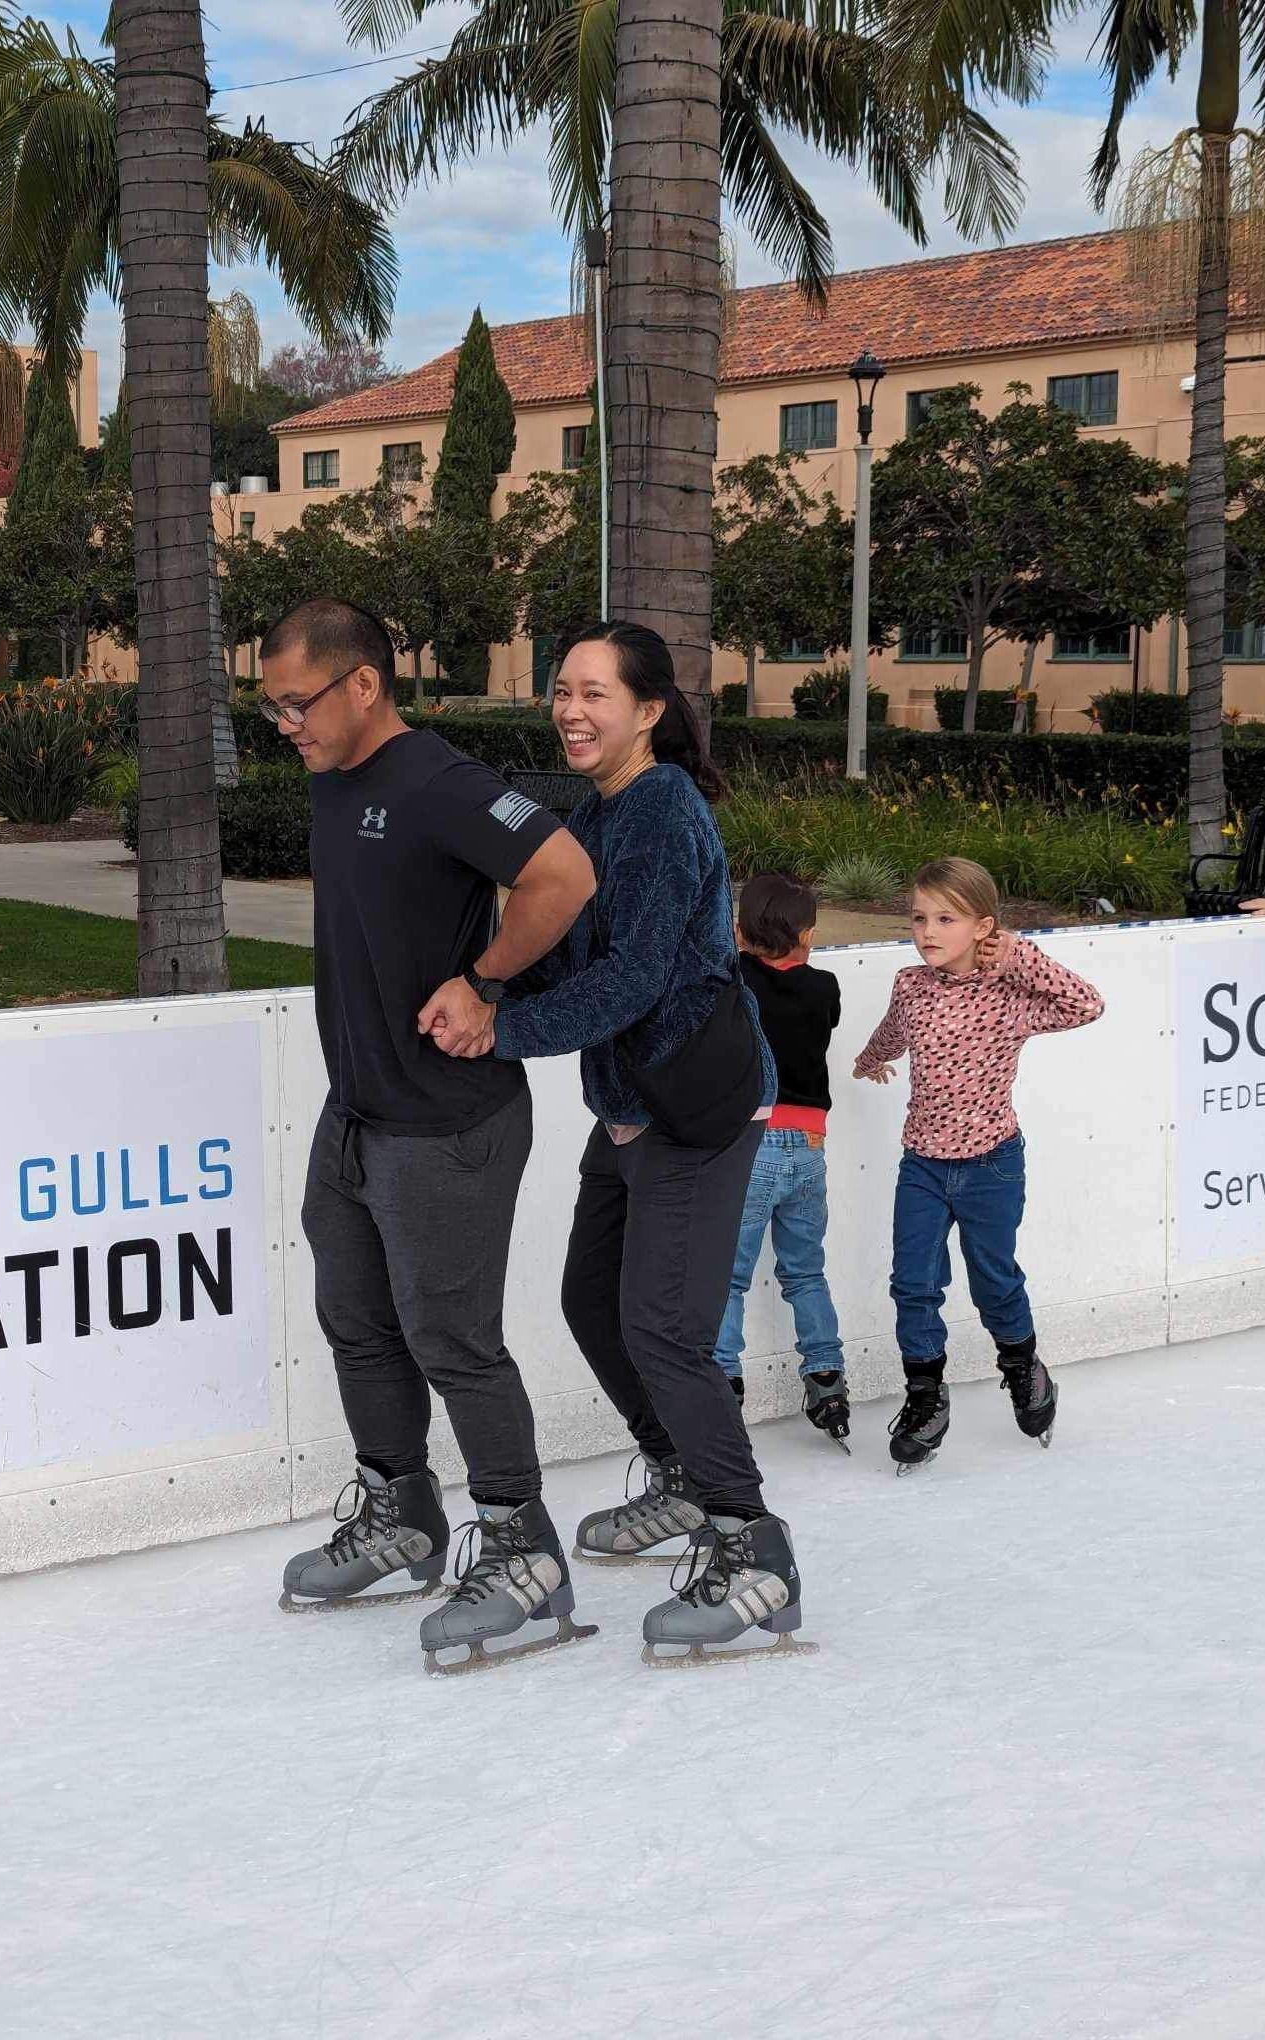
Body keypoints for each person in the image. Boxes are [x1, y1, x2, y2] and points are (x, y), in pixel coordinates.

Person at [424, 622, 808, 1664]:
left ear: (648, 710)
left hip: (693, 1109)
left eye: (596, 693)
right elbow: (566, 954)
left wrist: (503, 1028)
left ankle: (753, 1547)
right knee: (592, 1301)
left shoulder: (662, 813)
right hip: (631, 1109)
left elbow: (635, 978)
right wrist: (483, 982)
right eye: (561, 690)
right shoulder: (594, 815)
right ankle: (680, 1475)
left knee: (664, 1332)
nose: (571, 710)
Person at [264, 599, 602, 1677]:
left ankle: (520, 1551)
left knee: (453, 1341)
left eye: (298, 702)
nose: (287, 724)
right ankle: (402, 1512)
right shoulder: (335, 777)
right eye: (270, 706)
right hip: (355, 1112)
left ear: (363, 684)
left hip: (448, 1120)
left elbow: (565, 875)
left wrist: (486, 979)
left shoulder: (435, 781)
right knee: (357, 1322)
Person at [854, 856, 1105, 1472]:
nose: (927, 931)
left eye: (946, 918)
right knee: (913, 1284)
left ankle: (1023, 1369)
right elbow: (894, 1032)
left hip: (992, 1165)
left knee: (993, 1281)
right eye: (919, 918)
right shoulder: (911, 986)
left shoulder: (1011, 994)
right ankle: (924, 1397)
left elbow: (1087, 1005)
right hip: (924, 1167)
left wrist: (1019, 956)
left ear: (983, 927)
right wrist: (868, 1059)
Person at [710, 872, 852, 1450]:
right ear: (809, 936)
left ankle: (721, 1382)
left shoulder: (737, 981)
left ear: (741, 934)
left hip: (754, 1144)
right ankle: (826, 1375)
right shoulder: (825, 987)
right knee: (805, 1271)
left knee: (728, 1276)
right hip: (810, 1150)